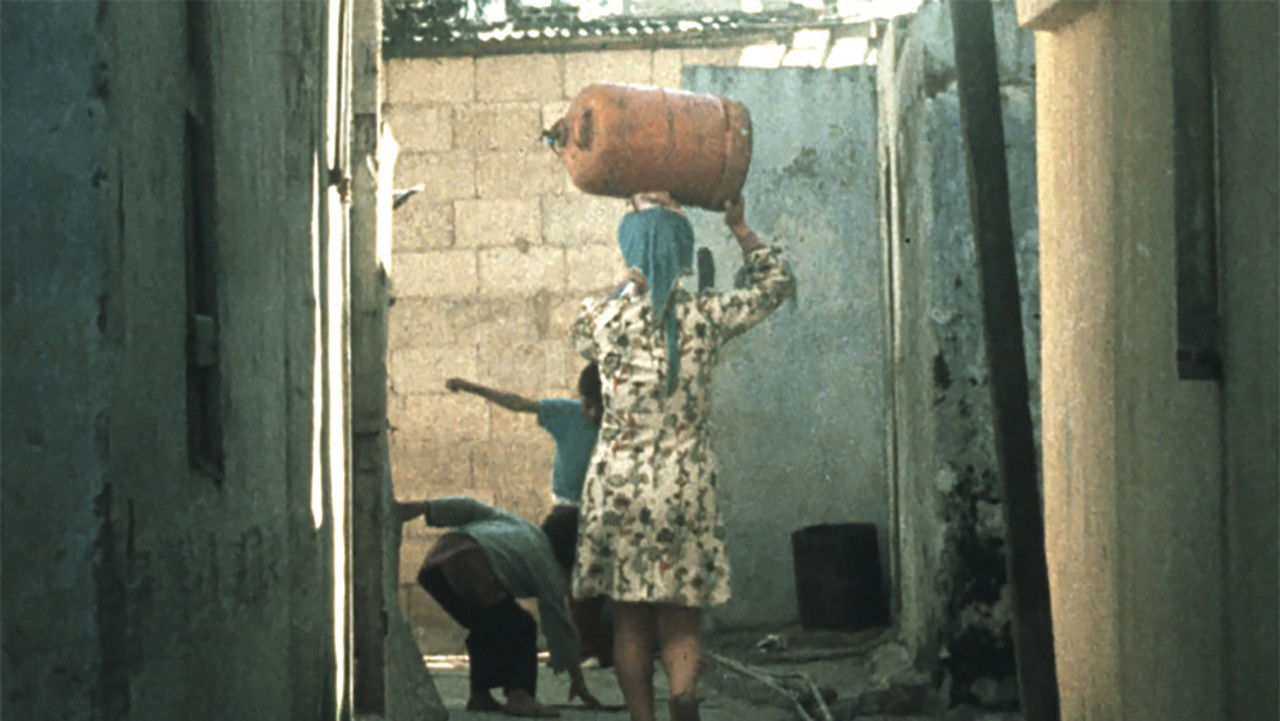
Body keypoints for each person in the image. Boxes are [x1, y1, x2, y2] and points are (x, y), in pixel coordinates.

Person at [571, 193, 794, 721]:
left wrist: (632, 279)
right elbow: (775, 285)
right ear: (686, 253)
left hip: (617, 487)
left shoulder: (601, 317)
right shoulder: (706, 314)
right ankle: (684, 697)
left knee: (629, 617)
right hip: (685, 485)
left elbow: (584, 335)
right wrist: (739, 226)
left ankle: (643, 719)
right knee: (681, 614)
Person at [444, 365, 614, 664]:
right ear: (581, 400)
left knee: (592, 583)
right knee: (549, 572)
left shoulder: (621, 422)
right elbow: (518, 403)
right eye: (589, 406)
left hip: (606, 513)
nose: (595, 415)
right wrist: (473, 387)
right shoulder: (567, 413)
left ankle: (591, 647)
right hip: (568, 513)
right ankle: (562, 642)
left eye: (602, 408)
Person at [397, 496, 602, 718]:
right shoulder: (549, 569)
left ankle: (480, 694)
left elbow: (470, 507)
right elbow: (560, 626)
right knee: (521, 626)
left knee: (487, 625)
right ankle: (520, 694)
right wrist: (577, 679)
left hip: (434, 568)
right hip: (473, 564)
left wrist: (424, 507)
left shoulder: (518, 524)